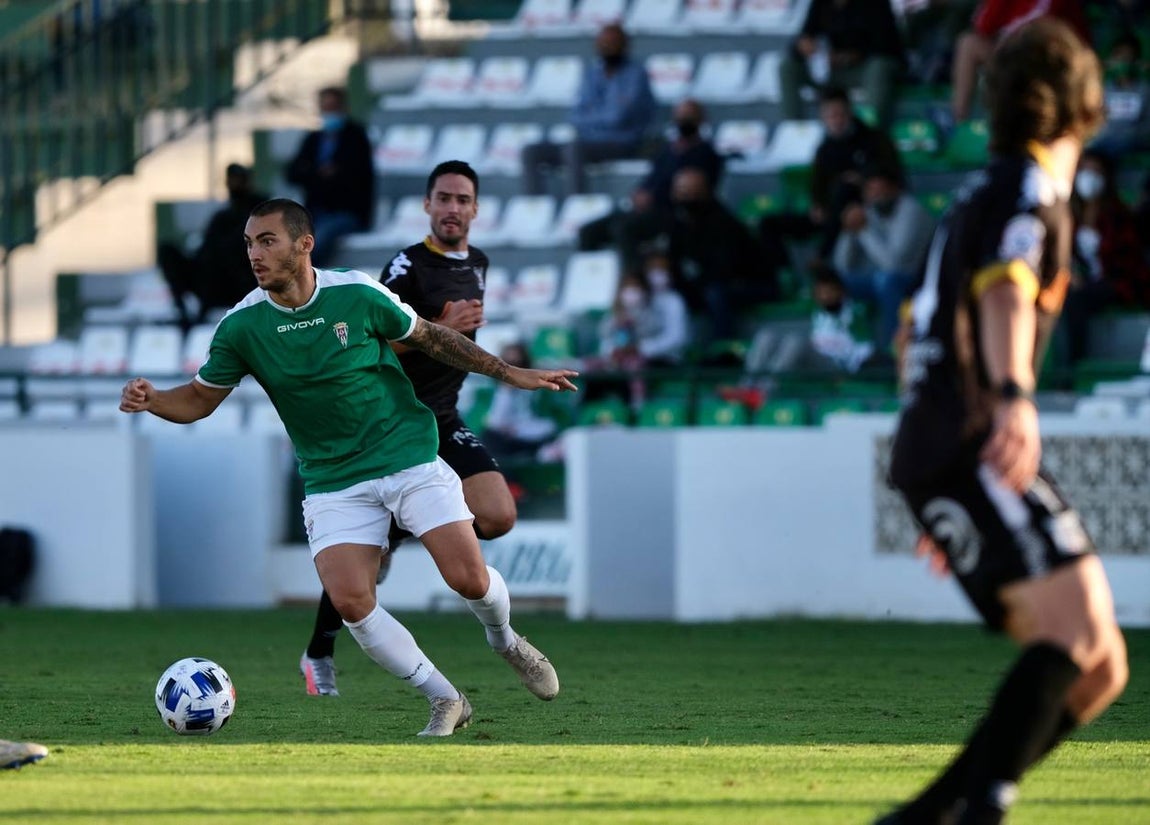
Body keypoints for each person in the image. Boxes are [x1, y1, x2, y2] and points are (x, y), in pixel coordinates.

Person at [120, 198, 578, 737]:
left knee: (468, 579)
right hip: (333, 480)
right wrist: (154, 399)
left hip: (405, 454)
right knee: (352, 603)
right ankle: (446, 699)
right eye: (249, 243)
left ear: (303, 244)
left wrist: (509, 372)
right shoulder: (242, 326)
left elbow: (432, 337)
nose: (255, 254)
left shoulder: (356, 293)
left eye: (267, 240)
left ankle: (505, 640)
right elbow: (199, 399)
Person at [880, 18, 1128, 824]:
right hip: (970, 437)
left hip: (948, 444)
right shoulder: (1027, 192)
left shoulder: (975, 199)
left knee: (1101, 667)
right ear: (1081, 101)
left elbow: (912, 332)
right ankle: (977, 808)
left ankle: (936, 812)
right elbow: (1006, 289)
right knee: (1079, 632)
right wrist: (1013, 395)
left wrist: (938, 478)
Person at [298, 160, 525, 698]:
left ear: (475, 209)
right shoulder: (406, 267)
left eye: (462, 199)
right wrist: (440, 329)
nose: (452, 208)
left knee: (497, 514)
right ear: (427, 205)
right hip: (394, 422)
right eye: (442, 198)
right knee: (362, 568)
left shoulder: (480, 263)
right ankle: (318, 652)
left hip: (442, 417)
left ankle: (398, 529)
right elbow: (366, 340)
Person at [759, 86, 903, 267]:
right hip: (829, 215)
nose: (836, 120)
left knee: (844, 190)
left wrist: (863, 179)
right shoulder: (824, 148)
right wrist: (817, 203)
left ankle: (823, 257)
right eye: (830, 115)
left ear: (850, 111)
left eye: (840, 114)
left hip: (865, 209)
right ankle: (784, 277)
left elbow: (891, 176)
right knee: (768, 224)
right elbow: (817, 184)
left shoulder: (874, 139)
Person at [577, 98, 724, 274]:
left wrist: (654, 198)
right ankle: (592, 279)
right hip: (644, 210)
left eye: (688, 116)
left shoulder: (705, 153)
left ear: (701, 120)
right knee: (589, 231)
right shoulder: (667, 151)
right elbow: (650, 180)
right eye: (680, 116)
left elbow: (695, 192)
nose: (683, 121)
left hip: (672, 214)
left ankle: (633, 282)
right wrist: (639, 195)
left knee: (624, 229)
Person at [520, 22, 656, 196]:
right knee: (531, 152)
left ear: (625, 45)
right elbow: (575, 116)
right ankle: (536, 208)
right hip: (590, 141)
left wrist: (592, 116)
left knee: (573, 149)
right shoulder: (592, 73)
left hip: (623, 143)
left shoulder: (636, 75)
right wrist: (600, 117)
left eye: (613, 43)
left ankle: (576, 206)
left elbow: (618, 118)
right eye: (603, 43)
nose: (608, 47)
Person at [1058, 149, 1150, 364]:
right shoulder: (1069, 215)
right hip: (1080, 282)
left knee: (1077, 301)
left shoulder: (1118, 216)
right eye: (1085, 169)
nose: (1089, 176)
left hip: (1118, 283)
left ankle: (1073, 366)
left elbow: (1127, 262)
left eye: (1096, 171)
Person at [831, 162, 935, 351]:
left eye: (881, 189)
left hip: (914, 278)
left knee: (886, 280)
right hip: (879, 278)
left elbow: (893, 264)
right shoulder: (869, 211)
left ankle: (895, 349)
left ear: (894, 188)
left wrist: (863, 230)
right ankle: (843, 350)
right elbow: (841, 265)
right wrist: (848, 230)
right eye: (870, 190)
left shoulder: (911, 211)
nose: (876, 196)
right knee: (833, 283)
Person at [941, 0, 1089, 131]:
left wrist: (1008, 42)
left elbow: (1040, 27)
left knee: (1029, 46)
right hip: (1018, 57)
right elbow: (984, 27)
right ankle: (959, 124)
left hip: (1058, 62)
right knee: (968, 43)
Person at [157, 163, 268, 329]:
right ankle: (183, 313)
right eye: (230, 180)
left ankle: (203, 311)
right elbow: (205, 250)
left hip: (242, 282)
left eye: (237, 180)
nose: (232, 185)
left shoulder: (262, 211)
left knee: (219, 253)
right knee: (167, 251)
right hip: (209, 280)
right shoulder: (221, 216)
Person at [666, 167, 773, 340]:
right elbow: (673, 262)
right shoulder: (679, 222)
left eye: (692, 191)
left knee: (716, 293)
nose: (686, 197)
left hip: (752, 283)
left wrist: (695, 285)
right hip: (707, 283)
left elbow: (724, 269)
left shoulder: (723, 222)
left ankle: (723, 347)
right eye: (682, 192)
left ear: (705, 191)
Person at [778, 0, 906, 129]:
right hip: (829, 70)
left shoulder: (875, 4)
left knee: (879, 67)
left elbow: (887, 45)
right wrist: (803, 45)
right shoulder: (821, 3)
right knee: (788, 67)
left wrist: (848, 57)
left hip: (862, 70)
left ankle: (869, 131)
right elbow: (805, 35)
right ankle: (794, 129)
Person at [285, 86, 375, 267]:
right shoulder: (313, 139)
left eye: (332, 108)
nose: (328, 113)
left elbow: (355, 177)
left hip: (347, 212)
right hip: (315, 212)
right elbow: (292, 172)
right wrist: (319, 174)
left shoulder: (356, 137)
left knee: (314, 243)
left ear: (343, 108)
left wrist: (317, 175)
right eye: (324, 108)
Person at [482, 341, 562, 463]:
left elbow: (550, 424)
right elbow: (495, 422)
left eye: (517, 365)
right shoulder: (495, 391)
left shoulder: (539, 391)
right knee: (489, 438)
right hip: (506, 440)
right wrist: (506, 392)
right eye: (508, 365)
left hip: (531, 437)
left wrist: (517, 430)